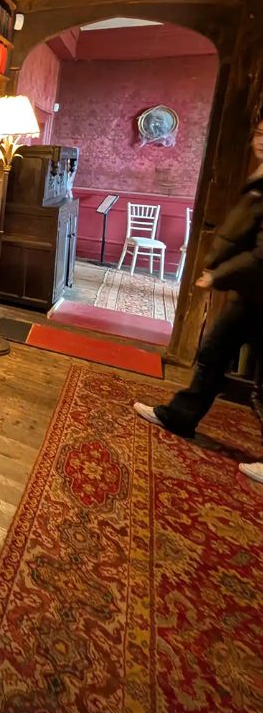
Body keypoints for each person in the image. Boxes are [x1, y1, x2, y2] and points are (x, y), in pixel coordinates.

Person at [135, 116, 263, 486]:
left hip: (258, 292)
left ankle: (179, 415)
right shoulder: (257, 178)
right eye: (258, 133)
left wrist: (218, 275)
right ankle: (179, 416)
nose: (260, 141)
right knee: (211, 353)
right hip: (250, 293)